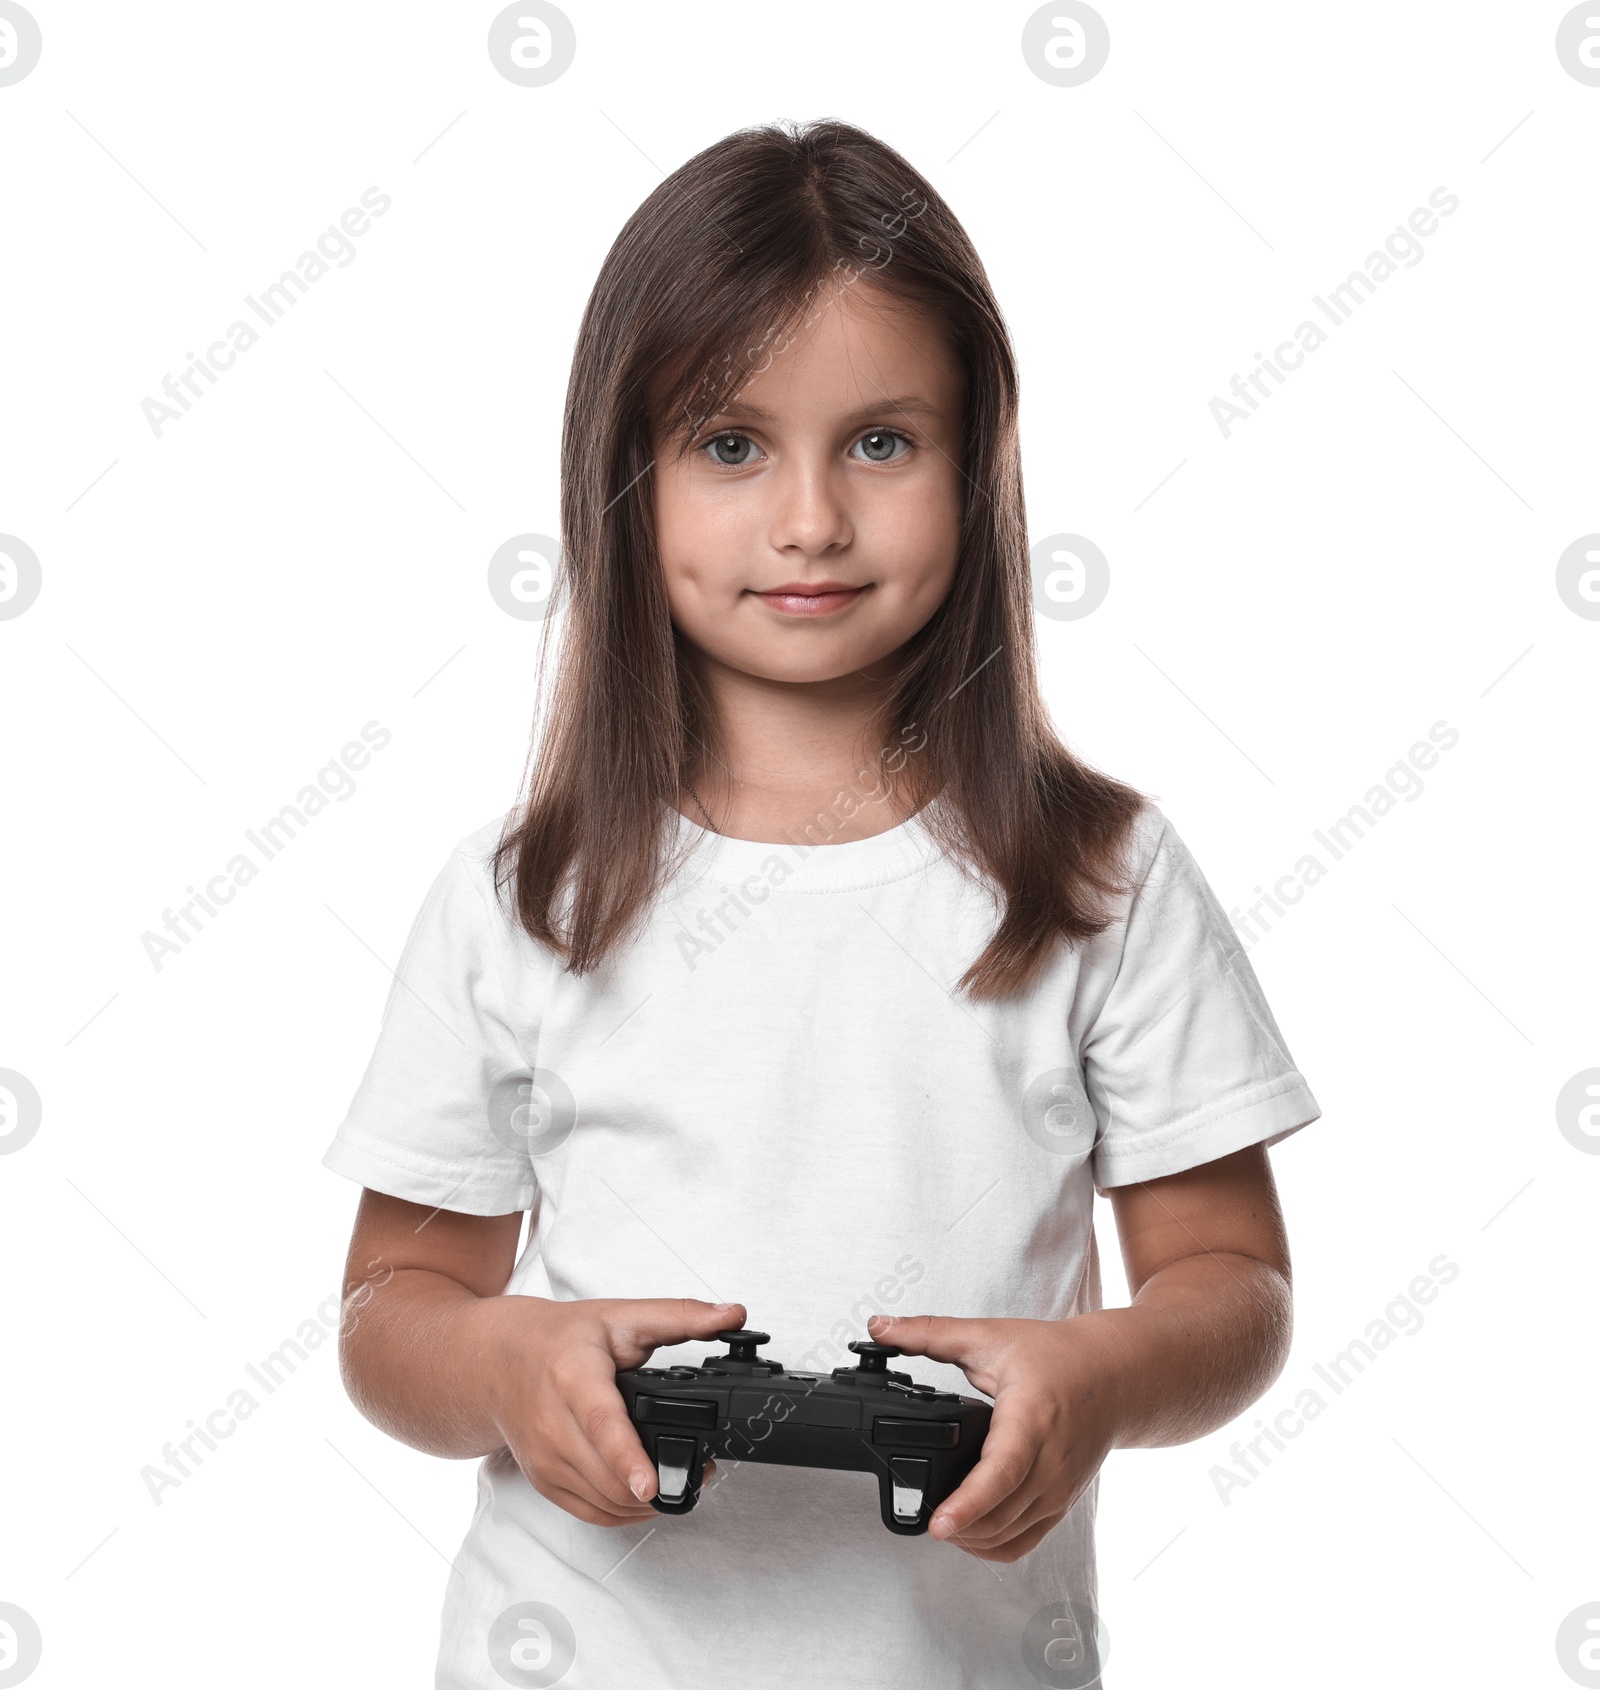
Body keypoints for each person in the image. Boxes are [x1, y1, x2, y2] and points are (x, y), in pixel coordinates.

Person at [324, 118, 1320, 1689]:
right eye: (729, 444)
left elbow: (1232, 1281)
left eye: (881, 440)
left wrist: (1106, 1374)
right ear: (620, 479)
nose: (809, 520)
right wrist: (505, 1361)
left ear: (978, 458)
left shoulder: (1098, 878)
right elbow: (395, 1309)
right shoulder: (529, 894)